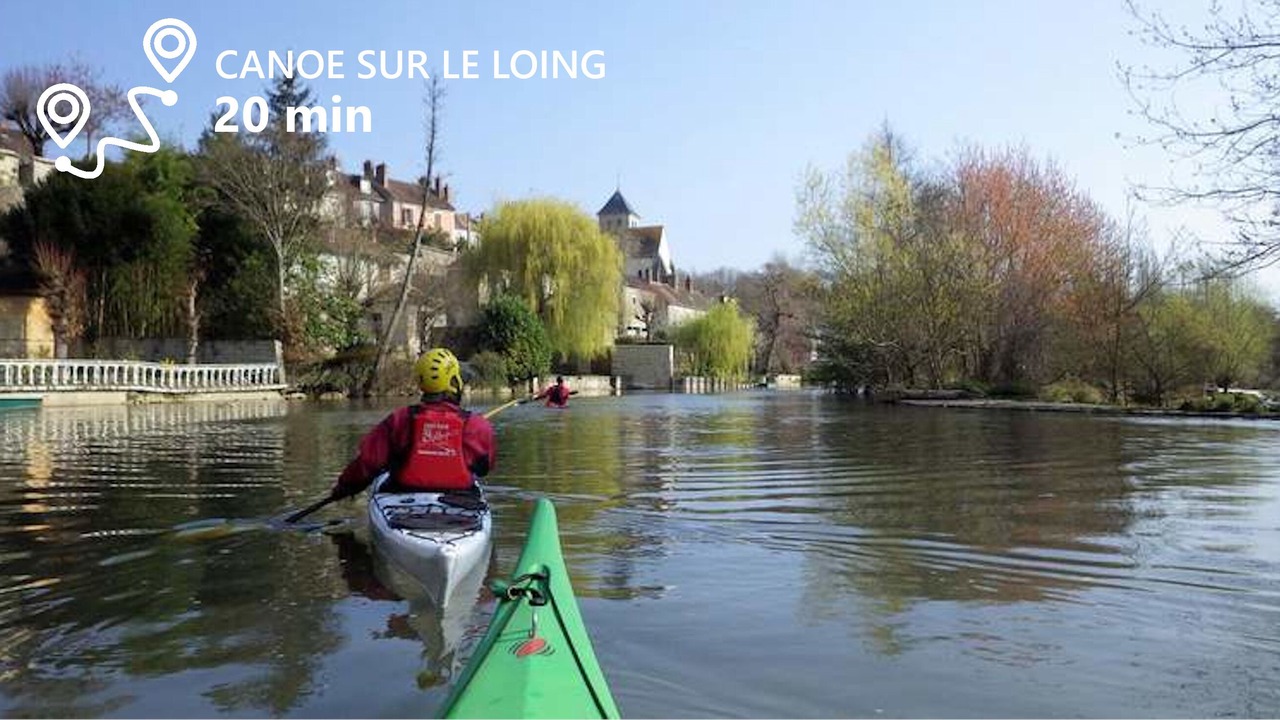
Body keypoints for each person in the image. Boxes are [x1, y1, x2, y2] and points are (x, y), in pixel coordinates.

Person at [329, 348, 496, 500]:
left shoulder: (399, 420)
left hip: (403, 496)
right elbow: (484, 468)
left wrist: (344, 487)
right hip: (459, 503)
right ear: (454, 382)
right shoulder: (477, 426)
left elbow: (367, 462)